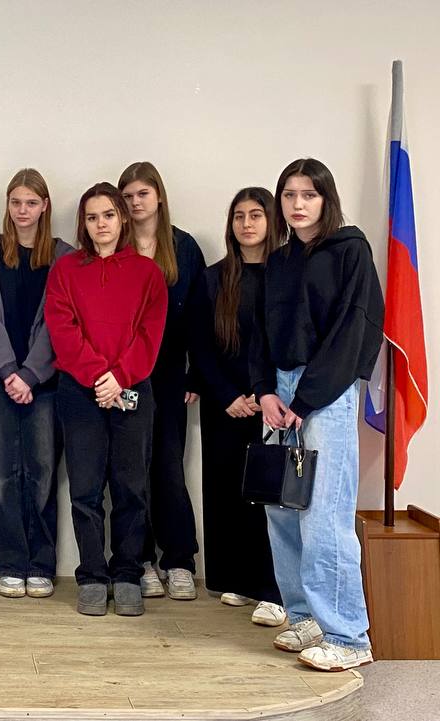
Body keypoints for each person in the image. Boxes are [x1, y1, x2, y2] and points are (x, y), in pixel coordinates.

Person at [251, 159, 383, 672]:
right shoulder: (280, 260)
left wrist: (303, 402)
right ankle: (305, 616)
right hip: (279, 394)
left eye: (309, 194)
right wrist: (265, 392)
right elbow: (261, 330)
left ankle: (348, 636)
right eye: (289, 195)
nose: (298, 204)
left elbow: (354, 331)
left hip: (325, 392)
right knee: (281, 509)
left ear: (326, 199)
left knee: (324, 515)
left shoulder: (350, 251)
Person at [45, 182, 166, 617]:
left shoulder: (147, 273)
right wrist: (100, 376)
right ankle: (93, 575)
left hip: (132, 390)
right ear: (84, 223)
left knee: (131, 487)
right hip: (81, 392)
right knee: (85, 489)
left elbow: (150, 334)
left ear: (123, 218)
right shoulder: (66, 270)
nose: (101, 224)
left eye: (109, 215)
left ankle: (128, 573)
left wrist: (119, 377)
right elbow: (62, 328)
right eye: (93, 217)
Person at [0, 169, 73, 600]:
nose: (23, 210)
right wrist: (8, 371)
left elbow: (60, 320)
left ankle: (41, 564)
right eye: (16, 202)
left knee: (43, 472)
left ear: (45, 206)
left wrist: (30, 374)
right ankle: (11, 563)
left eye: (31, 203)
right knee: (2, 473)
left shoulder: (64, 256)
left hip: (45, 382)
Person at [189, 187, 285, 626]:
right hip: (224, 403)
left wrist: (264, 394)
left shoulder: (287, 273)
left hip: (274, 405)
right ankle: (235, 579)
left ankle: (272, 589)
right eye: (239, 216)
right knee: (227, 490)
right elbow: (200, 345)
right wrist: (227, 396)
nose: (247, 224)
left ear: (271, 221)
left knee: (271, 497)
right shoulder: (213, 278)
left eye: (256, 215)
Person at [118, 161, 206, 601]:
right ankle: (141, 561)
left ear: (158, 196)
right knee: (132, 469)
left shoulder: (183, 247)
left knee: (169, 467)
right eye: (128, 196)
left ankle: (180, 560)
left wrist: (195, 373)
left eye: (143, 194)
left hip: (170, 374)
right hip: (125, 373)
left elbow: (200, 317)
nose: (136, 202)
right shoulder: (115, 244)